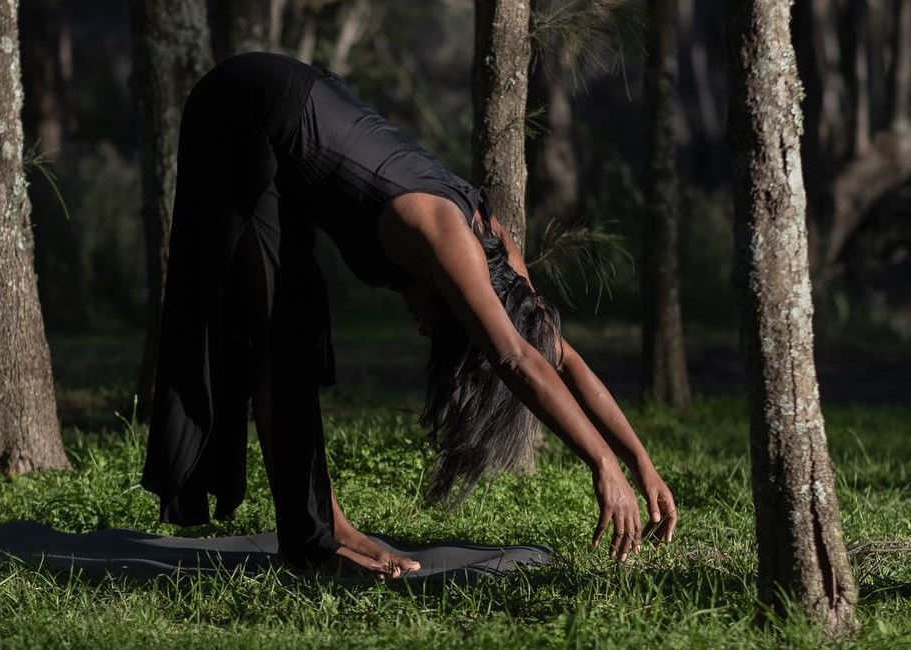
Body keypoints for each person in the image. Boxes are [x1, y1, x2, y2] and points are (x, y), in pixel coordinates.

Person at [140, 52, 678, 578]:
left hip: (288, 110)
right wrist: (600, 464)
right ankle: (310, 545)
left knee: (293, 327)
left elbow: (558, 357)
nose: (422, 328)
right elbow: (515, 359)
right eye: (434, 326)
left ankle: (327, 528)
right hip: (241, 107)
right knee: (281, 335)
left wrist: (638, 460)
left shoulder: (502, 253)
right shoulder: (447, 235)